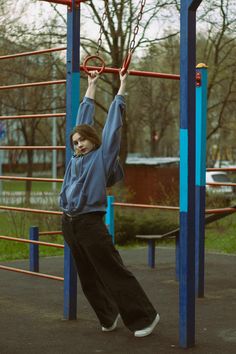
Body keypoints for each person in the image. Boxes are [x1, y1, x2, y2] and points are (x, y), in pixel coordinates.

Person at [59, 70, 160, 337]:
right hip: (70, 223)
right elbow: (82, 120)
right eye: (75, 142)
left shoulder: (102, 157)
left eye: (82, 140)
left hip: (90, 223)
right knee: (88, 275)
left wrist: (121, 88)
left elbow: (113, 126)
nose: (78, 144)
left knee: (112, 271)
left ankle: (145, 317)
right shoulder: (76, 159)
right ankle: (107, 315)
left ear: (93, 140)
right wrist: (91, 86)